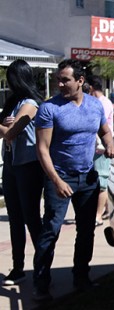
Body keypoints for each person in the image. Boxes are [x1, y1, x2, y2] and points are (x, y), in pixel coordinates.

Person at [31, 59, 114, 302]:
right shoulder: (50, 109)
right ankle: (41, 283)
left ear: (80, 81)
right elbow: (42, 150)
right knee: (51, 230)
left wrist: (110, 145)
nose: (59, 84)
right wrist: (57, 181)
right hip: (59, 177)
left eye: (65, 80)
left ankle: (81, 277)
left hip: (87, 177)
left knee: (86, 231)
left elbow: (104, 131)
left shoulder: (94, 105)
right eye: (58, 79)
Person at [0, 60, 45, 286]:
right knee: (15, 219)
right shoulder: (12, 103)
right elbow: (5, 132)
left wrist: (6, 127)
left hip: (28, 166)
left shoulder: (30, 103)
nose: (8, 84)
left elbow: (11, 133)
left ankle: (42, 268)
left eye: (11, 79)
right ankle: (18, 268)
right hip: (10, 164)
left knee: (31, 218)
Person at [88, 76, 114, 226]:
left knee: (102, 183)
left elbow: (99, 126)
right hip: (97, 147)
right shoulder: (103, 102)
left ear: (91, 88)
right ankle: (106, 210)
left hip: (101, 148)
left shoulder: (102, 103)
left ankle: (97, 216)